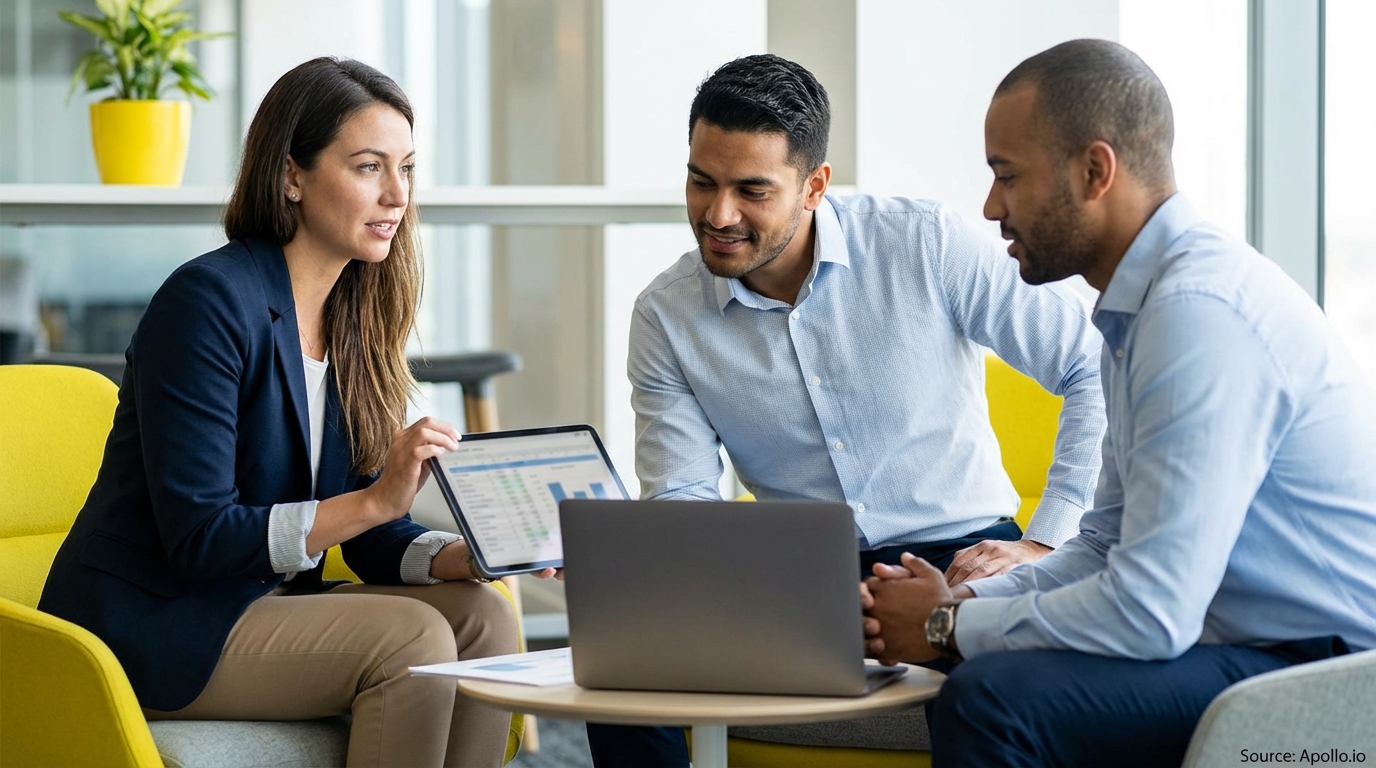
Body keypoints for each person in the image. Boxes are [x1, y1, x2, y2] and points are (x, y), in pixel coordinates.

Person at [862, 39, 1376, 768]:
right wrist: (963, 607)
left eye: (1007, 176)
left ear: (1094, 170)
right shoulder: (1137, 314)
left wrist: (946, 626)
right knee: (980, 669)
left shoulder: (1196, 314)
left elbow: (1149, 613)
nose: (990, 207)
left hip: (1328, 673)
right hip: (1248, 645)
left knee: (994, 699)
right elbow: (1103, 547)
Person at [588, 53, 1107, 768]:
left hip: (960, 561)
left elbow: (1093, 364)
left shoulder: (923, 243)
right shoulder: (666, 316)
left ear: (814, 187)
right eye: (701, 181)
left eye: (752, 190)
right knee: (622, 670)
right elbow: (682, 497)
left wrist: (1049, 540)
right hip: (799, 582)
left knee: (1009, 690)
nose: (718, 214)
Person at [39, 57, 538, 768]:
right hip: (158, 618)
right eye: (369, 167)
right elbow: (202, 536)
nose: (397, 195)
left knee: (485, 617)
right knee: (410, 640)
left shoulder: (356, 316)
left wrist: (473, 555)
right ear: (292, 176)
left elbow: (368, 536)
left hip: (261, 602)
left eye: (407, 169)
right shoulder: (207, 304)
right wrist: (371, 500)